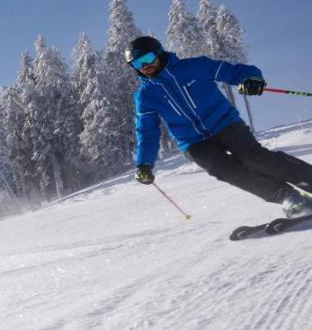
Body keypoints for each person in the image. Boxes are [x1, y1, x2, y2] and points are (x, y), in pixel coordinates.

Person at [127, 35, 312, 217]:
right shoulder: (145, 96)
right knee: (226, 170)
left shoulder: (195, 66)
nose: (145, 66)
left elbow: (234, 72)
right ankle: (288, 197)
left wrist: (252, 79)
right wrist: (144, 163)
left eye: (148, 58)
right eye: (137, 64)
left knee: (253, 158)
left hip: (225, 123)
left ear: (159, 53)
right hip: (192, 141)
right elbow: (147, 131)